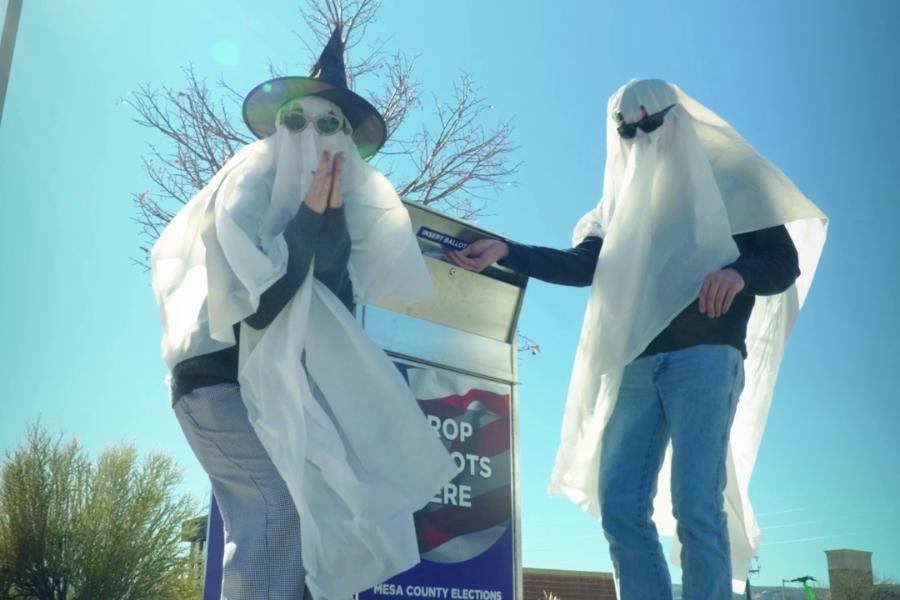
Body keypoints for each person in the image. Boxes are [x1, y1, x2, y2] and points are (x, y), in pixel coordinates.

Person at [447, 79, 827, 599]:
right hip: (636, 361)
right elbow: (585, 266)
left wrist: (739, 273)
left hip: (707, 356)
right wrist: (507, 251)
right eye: (627, 130)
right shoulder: (618, 206)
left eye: (651, 123)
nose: (640, 136)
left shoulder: (734, 183)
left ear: (679, 119)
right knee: (621, 505)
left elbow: (783, 264)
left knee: (696, 503)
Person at [151, 27, 456, 600]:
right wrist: (310, 221)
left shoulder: (348, 215)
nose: (313, 137)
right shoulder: (246, 189)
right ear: (277, 128)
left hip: (284, 387)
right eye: (298, 122)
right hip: (218, 383)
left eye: (331, 125)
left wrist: (327, 225)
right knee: (280, 514)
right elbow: (260, 308)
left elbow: (330, 315)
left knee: (325, 524)